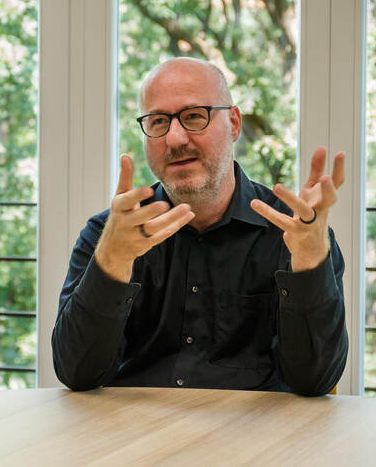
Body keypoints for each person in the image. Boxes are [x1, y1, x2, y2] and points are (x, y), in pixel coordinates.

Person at [52, 57, 348, 396]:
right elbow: (77, 374)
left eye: (194, 116)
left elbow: (315, 382)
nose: (175, 138)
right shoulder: (107, 236)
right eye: (158, 121)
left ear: (233, 124)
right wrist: (112, 261)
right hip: (134, 425)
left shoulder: (296, 234)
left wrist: (310, 261)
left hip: (256, 427)